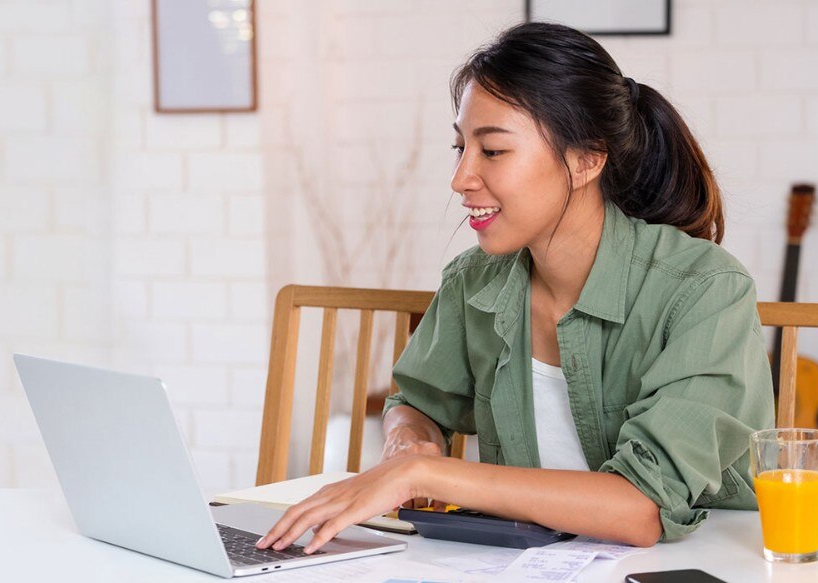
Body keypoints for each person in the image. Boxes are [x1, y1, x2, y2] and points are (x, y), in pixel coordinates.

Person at [257, 21, 774, 553]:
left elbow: (641, 508)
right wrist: (407, 441)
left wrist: (423, 476)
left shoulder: (706, 290)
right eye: (459, 148)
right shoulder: (473, 280)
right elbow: (417, 400)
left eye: (493, 151)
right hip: (525, 563)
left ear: (586, 159)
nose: (460, 177)